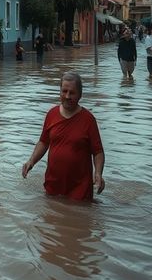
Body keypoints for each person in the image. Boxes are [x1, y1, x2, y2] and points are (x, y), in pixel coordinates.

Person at [22, 71, 105, 201]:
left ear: (80, 95)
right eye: (64, 91)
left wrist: (98, 173)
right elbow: (43, 142)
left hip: (80, 188)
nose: (67, 96)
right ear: (60, 92)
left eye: (72, 93)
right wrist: (31, 161)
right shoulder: (52, 114)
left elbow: (98, 151)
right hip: (53, 184)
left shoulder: (88, 119)